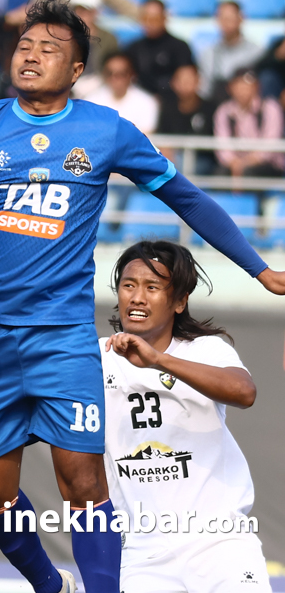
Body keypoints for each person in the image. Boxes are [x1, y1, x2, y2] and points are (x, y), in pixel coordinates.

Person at [0, 0, 285, 593]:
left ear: (77, 69)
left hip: (63, 335)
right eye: (25, 46)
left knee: (82, 480)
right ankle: (52, 586)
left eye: (49, 49)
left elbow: (186, 197)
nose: (31, 56)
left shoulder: (106, 131)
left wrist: (258, 269)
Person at [102, 241, 270, 591]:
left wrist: (158, 361)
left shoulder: (205, 349)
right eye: (129, 285)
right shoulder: (96, 357)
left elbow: (245, 393)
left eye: (152, 287)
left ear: (179, 301)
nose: (137, 298)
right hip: (143, 553)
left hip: (220, 543)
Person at [214, 71, 284, 180]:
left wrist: (246, 162)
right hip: (234, 164)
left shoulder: (270, 108)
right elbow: (222, 144)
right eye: (239, 85)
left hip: (267, 164)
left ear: (257, 86)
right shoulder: (224, 111)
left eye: (246, 85)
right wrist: (234, 163)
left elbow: (270, 145)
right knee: (219, 175)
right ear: (230, 88)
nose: (243, 90)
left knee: (249, 173)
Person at [124, 0, 194, 97]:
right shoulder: (132, 48)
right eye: (146, 18)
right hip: (140, 101)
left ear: (164, 18)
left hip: (172, 101)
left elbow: (187, 82)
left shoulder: (180, 47)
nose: (150, 23)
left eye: (155, 18)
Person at [156, 64, 216, 175]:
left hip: (202, 159)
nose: (185, 84)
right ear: (173, 83)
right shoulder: (167, 108)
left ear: (198, 81)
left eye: (189, 80)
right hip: (172, 157)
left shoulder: (210, 108)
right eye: (181, 80)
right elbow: (162, 135)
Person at [197, 1, 263, 100]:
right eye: (222, 18)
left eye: (230, 18)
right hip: (215, 104)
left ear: (241, 19)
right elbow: (204, 89)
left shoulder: (256, 52)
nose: (226, 22)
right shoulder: (208, 53)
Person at [83, 52, 159, 135]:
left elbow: (146, 136)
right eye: (110, 73)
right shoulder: (90, 101)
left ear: (132, 74)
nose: (115, 78)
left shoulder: (147, 102)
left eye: (121, 74)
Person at [68, 0, 119, 97]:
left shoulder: (109, 39)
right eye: (79, 10)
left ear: (96, 12)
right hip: (70, 87)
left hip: (101, 89)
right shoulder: (64, 36)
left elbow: (113, 67)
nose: (83, 15)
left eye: (87, 10)